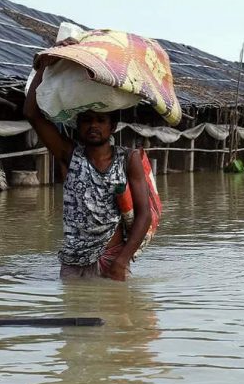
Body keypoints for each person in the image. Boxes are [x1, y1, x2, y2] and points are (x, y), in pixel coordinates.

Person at [24, 52, 151, 282]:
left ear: (112, 127)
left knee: (113, 307)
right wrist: (44, 66)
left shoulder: (127, 158)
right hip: (72, 261)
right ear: (78, 125)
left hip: (111, 259)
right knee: (74, 305)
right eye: (87, 120)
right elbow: (31, 114)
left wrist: (121, 261)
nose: (93, 126)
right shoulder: (70, 155)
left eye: (101, 120)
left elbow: (144, 215)